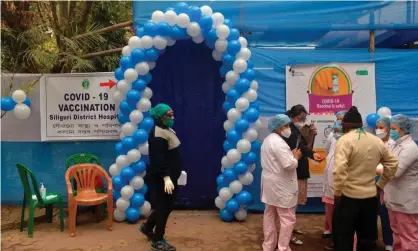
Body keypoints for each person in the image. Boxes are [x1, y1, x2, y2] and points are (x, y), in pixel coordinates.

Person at [331, 106, 399, 251]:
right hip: (370, 197)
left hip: (348, 197)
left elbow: (339, 170)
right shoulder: (376, 141)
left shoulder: (344, 141)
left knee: (343, 238)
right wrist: (380, 184)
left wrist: (337, 192)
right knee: (367, 239)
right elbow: (393, 164)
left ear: (345, 127)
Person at [139, 103, 182, 251]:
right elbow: (159, 159)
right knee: (164, 207)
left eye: (172, 114)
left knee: (165, 206)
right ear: (160, 118)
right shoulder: (158, 135)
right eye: (168, 115)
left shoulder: (164, 129)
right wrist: (166, 177)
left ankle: (148, 226)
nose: (172, 117)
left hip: (170, 176)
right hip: (163, 179)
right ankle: (158, 240)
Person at [284, 104, 324, 245]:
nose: (304, 120)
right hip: (294, 171)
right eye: (301, 117)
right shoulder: (290, 132)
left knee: (294, 204)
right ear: (293, 117)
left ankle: (291, 228)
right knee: (291, 204)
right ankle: (287, 235)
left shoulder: (297, 130)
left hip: (299, 169)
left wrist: (312, 136)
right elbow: (300, 150)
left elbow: (306, 148)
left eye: (304, 117)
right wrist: (312, 154)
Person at [261, 114, 302, 251]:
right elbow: (288, 165)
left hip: (270, 184)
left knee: (270, 215)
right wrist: (296, 157)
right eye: (285, 126)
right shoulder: (278, 142)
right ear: (278, 127)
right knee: (287, 219)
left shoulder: (268, 140)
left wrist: (290, 154)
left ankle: (268, 245)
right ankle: (283, 248)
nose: (288, 128)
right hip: (281, 185)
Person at [383, 114, 418, 251]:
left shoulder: (410, 148)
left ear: (402, 129)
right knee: (397, 234)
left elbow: (395, 172)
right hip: (394, 198)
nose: (390, 131)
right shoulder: (395, 145)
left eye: (393, 128)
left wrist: (378, 169)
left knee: (409, 236)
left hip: (406, 201)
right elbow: (385, 162)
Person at [375, 116, 395, 251]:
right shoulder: (375, 143)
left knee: (386, 215)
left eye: (381, 127)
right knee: (370, 214)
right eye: (376, 127)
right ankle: (371, 240)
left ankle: (389, 242)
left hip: (387, 185)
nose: (378, 130)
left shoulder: (393, 145)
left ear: (388, 129)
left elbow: (392, 167)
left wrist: (379, 169)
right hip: (372, 184)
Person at [322, 121, 342, 239]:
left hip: (341, 186)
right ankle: (332, 232)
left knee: (341, 214)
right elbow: (328, 151)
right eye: (334, 131)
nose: (335, 133)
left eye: (338, 131)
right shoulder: (333, 138)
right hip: (330, 183)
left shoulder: (350, 143)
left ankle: (339, 237)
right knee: (330, 209)